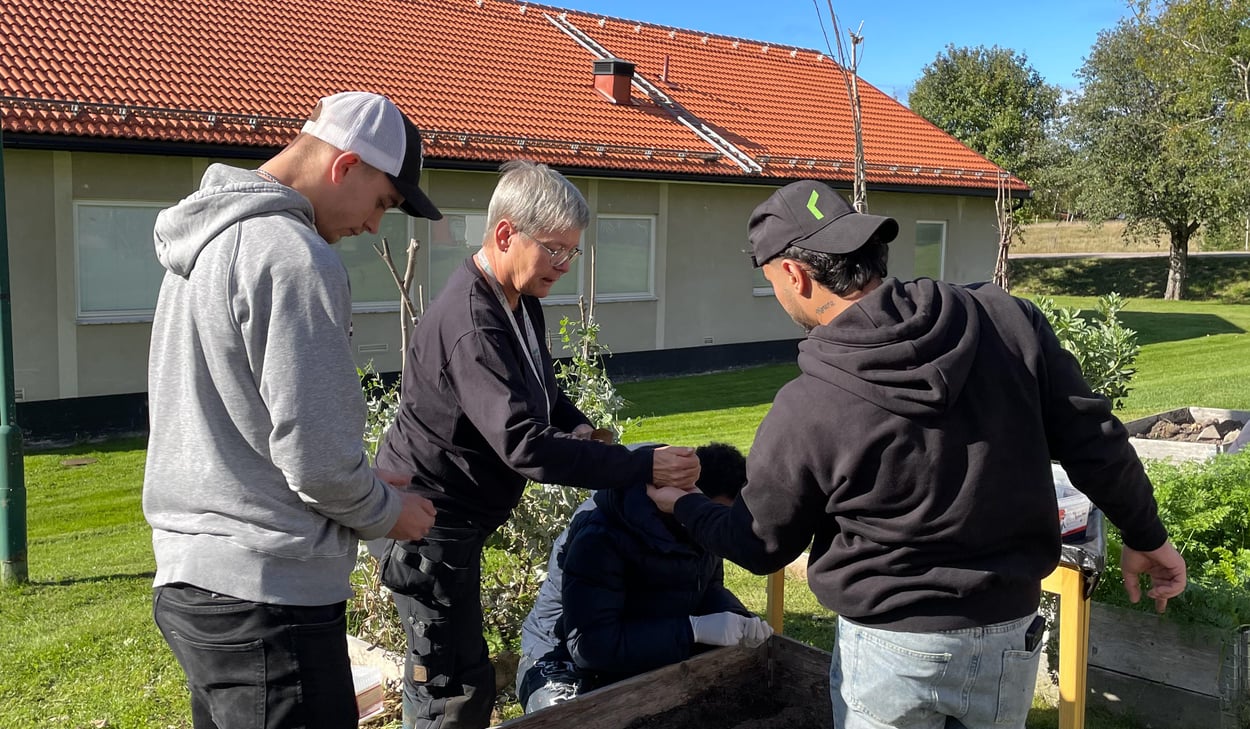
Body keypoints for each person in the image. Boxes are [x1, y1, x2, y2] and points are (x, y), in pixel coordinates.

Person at [648, 180, 1188, 729]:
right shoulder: (1006, 320)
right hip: (1008, 633)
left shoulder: (809, 406)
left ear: (793, 273)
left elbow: (760, 544)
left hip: (891, 648)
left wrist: (683, 505)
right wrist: (1147, 537)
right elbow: (1093, 437)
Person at [143, 91, 443, 729]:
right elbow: (317, 462)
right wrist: (390, 510)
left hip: (195, 585)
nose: (373, 226)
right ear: (347, 165)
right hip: (268, 601)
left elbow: (241, 424)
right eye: (383, 203)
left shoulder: (202, 246)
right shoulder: (295, 257)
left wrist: (359, 477)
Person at [373, 159, 702, 729]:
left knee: (462, 671)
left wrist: (579, 427)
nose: (565, 266)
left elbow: (545, 396)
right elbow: (524, 445)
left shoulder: (520, 303)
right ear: (505, 234)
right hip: (425, 523)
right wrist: (637, 464)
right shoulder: (473, 323)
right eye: (555, 250)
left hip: (455, 519)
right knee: (449, 683)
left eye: (573, 253)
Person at [515, 442, 772, 713]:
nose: (716, 526)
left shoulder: (701, 524)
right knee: (572, 716)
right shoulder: (600, 535)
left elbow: (706, 588)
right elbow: (591, 646)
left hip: (644, 638)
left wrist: (736, 616)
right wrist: (693, 630)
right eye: (711, 515)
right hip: (564, 655)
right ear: (680, 496)